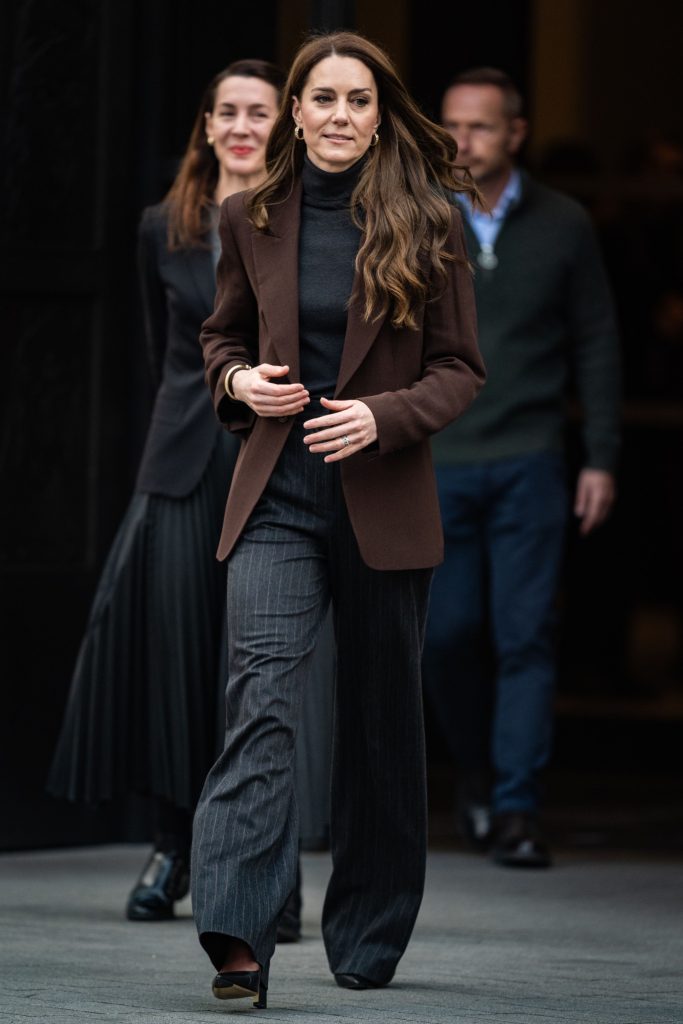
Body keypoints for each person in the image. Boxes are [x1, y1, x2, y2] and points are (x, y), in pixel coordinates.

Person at [190, 30, 485, 1008]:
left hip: (382, 500)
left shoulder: (430, 219)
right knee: (259, 702)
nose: (338, 116)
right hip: (275, 497)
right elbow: (220, 337)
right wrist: (240, 382)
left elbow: (458, 369)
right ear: (296, 111)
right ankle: (237, 931)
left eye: (357, 101)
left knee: (377, 725)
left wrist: (381, 416)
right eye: (322, 99)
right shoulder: (249, 214)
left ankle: (366, 926)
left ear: (380, 113)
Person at [46, 59, 332, 930]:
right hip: (181, 465)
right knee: (174, 664)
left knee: (256, 677)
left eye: (257, 112)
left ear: (277, 125)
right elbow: (163, 349)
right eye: (226, 114)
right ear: (205, 128)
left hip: (273, 462)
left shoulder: (301, 222)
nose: (242, 127)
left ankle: (260, 876)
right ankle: (173, 847)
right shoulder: (156, 230)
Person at [423, 68, 621, 868]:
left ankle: (514, 809)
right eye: (449, 126)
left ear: (515, 132)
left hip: (531, 459)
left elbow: (596, 342)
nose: (459, 142)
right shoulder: (422, 217)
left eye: (476, 127)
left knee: (525, 636)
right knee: (445, 634)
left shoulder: (564, 223)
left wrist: (600, 456)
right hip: (437, 458)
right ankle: (473, 772)